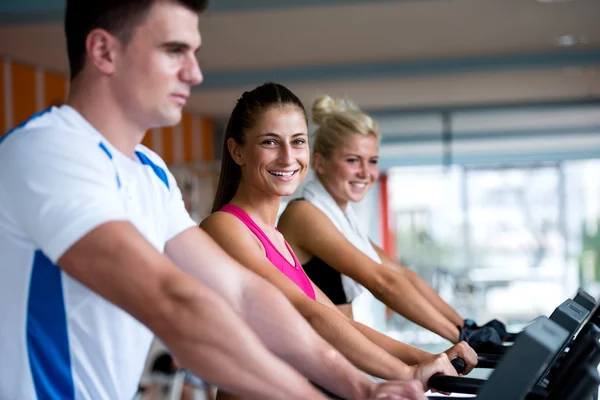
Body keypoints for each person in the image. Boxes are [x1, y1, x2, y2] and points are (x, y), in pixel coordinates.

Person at [0, 2, 424, 399]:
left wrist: (364, 389)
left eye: (194, 53)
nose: (195, 73)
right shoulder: (47, 151)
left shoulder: (150, 171)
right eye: (174, 51)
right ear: (104, 51)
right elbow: (174, 301)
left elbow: (243, 293)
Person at [200, 82, 478, 399]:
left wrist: (426, 358)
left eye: (298, 141)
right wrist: (407, 373)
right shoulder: (225, 227)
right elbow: (307, 314)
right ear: (237, 150)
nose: (288, 157)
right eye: (270, 142)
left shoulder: (275, 237)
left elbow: (336, 319)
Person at [277, 95, 505, 351]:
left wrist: (465, 326)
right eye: (352, 160)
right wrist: (459, 337)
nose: (366, 172)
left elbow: (402, 275)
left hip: (332, 361)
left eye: (372, 161)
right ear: (319, 162)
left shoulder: (343, 222)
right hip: (298, 365)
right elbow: (382, 282)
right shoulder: (303, 214)